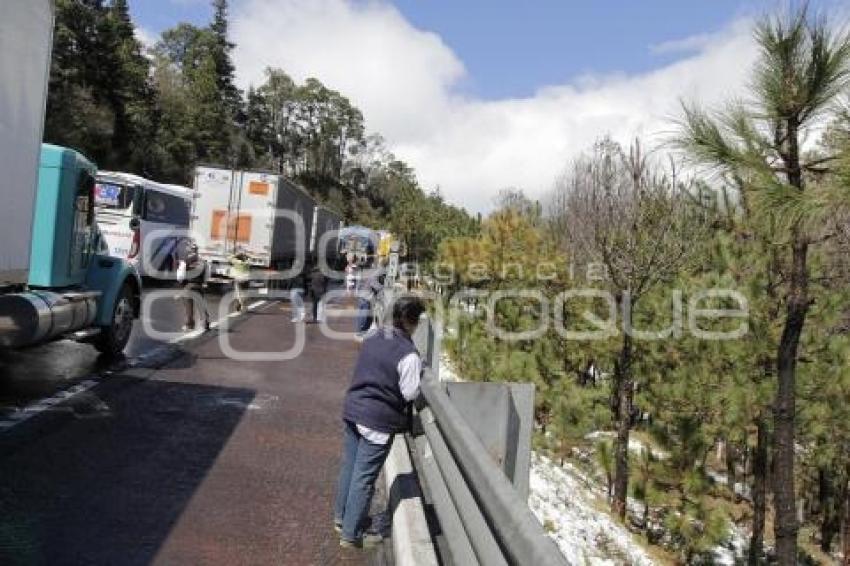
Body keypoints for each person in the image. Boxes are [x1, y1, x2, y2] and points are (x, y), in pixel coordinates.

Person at [334, 296, 426, 548]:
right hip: (377, 420)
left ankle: (341, 518)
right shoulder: (409, 355)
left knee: (350, 469)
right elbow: (410, 393)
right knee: (364, 478)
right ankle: (351, 535)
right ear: (412, 322)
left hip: (353, 409)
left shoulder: (374, 336)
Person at [174, 238, 210, 331]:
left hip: (189, 285)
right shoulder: (204, 262)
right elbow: (207, 275)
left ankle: (189, 324)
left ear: (189, 250)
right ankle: (205, 323)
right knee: (201, 304)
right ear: (197, 250)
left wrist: (181, 282)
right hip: (199, 285)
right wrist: (204, 282)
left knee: (188, 306)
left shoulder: (185, 261)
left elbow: (180, 276)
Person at [355, 267, 384, 336]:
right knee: (364, 316)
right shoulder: (371, 277)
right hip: (366, 298)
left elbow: (357, 286)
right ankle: (359, 331)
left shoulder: (361, 275)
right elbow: (377, 287)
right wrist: (384, 286)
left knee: (359, 314)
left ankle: (358, 329)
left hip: (360, 296)